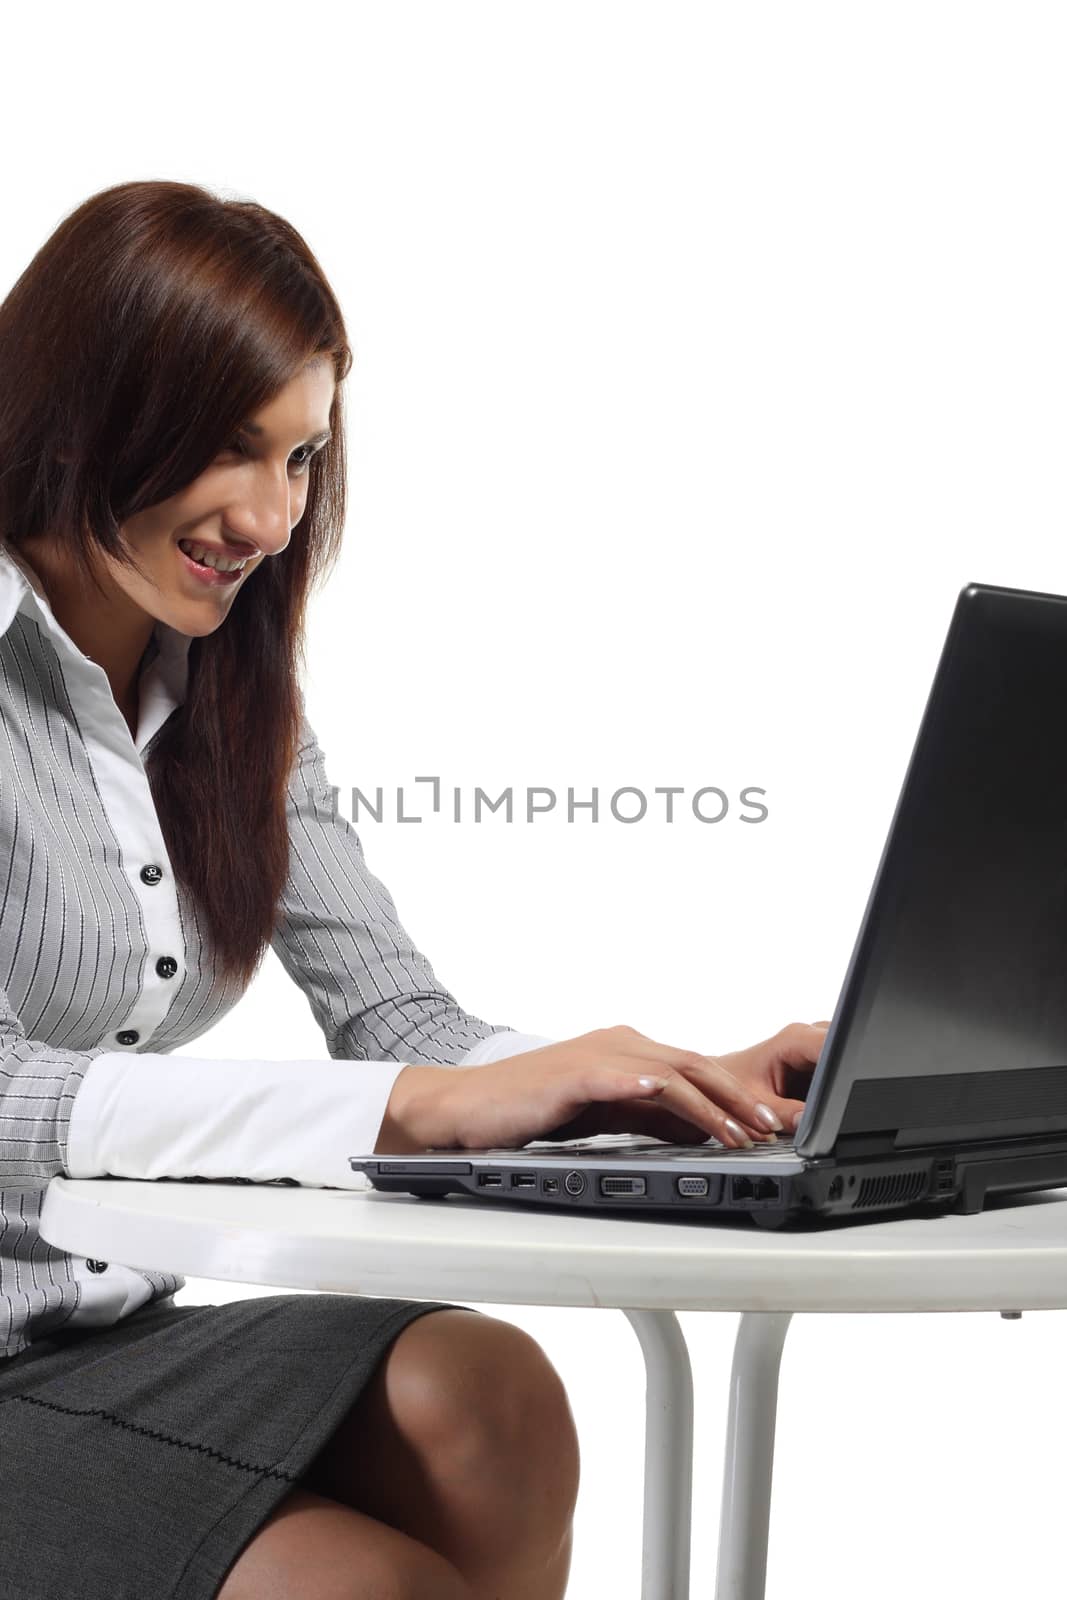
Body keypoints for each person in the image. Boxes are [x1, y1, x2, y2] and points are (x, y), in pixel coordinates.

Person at [0, 178, 828, 1600]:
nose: (267, 515)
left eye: (303, 455)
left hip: (103, 1332)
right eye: (225, 448)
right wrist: (408, 1111)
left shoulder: (225, 692)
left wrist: (667, 1087)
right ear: (81, 413)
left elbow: (398, 1021)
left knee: (485, 1398)